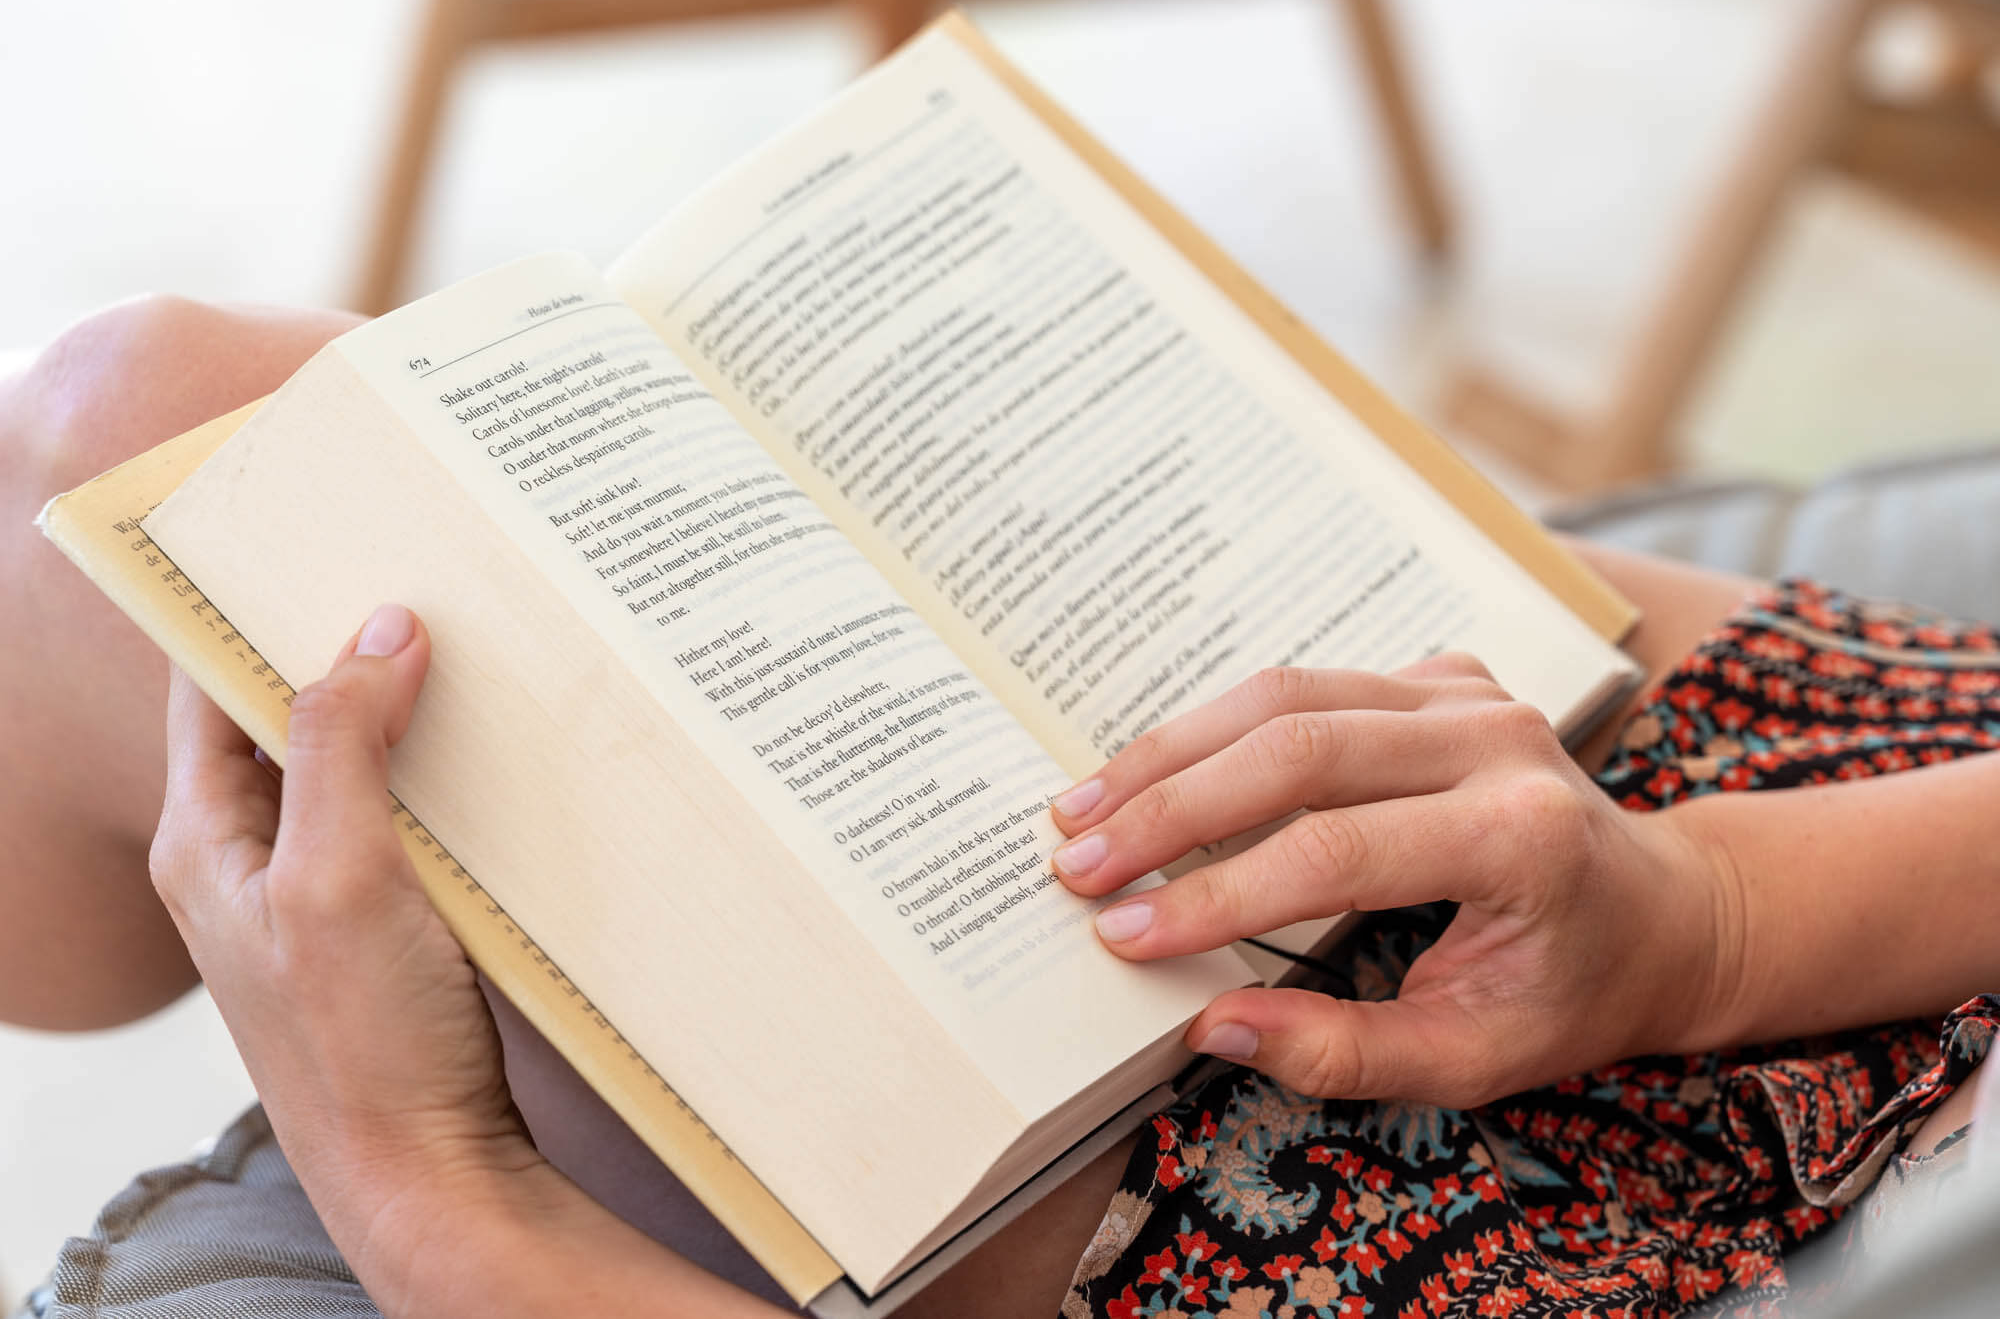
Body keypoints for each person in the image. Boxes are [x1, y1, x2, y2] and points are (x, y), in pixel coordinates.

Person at [8, 297, 1998, 1318]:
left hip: (1533, 1233)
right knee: (189, 417)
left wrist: (430, 1197)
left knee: (127, 445)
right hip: (1833, 844)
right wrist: (1700, 917)